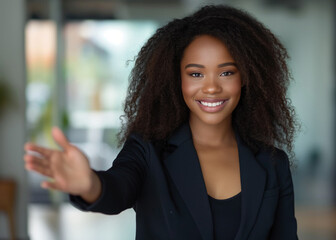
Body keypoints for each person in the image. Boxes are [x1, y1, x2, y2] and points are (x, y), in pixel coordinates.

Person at [23, 5, 298, 240]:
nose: (212, 87)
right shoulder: (147, 151)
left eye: (226, 72)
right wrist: (90, 185)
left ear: (247, 77)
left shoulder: (273, 164)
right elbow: (118, 188)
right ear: (175, 80)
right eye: (196, 74)